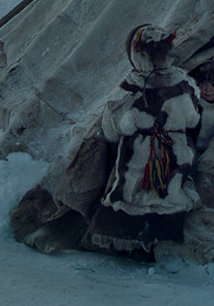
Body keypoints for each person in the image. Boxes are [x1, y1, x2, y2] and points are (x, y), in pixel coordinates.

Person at [83, 24, 203, 259]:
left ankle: (135, 241)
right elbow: (192, 118)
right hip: (169, 150)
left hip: (144, 152)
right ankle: (157, 241)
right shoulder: (181, 83)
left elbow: (112, 129)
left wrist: (129, 123)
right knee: (167, 190)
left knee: (136, 190)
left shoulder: (133, 87)